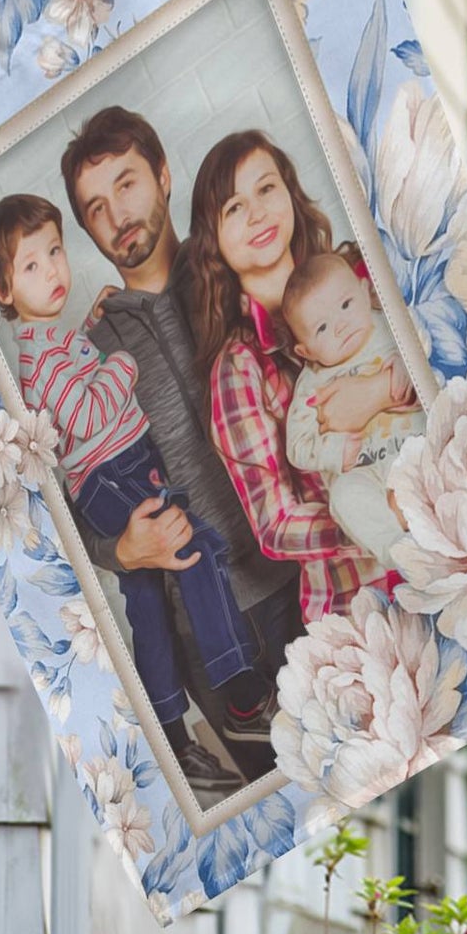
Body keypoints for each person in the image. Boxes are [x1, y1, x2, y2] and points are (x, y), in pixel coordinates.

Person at [0, 193, 271, 800]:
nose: (54, 269)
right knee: (199, 550)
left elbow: (69, 371)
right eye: (30, 266)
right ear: (2, 292)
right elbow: (83, 411)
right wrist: (121, 365)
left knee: (148, 603)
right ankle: (243, 697)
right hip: (116, 475)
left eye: (55, 251)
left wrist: (88, 333)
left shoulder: (50, 344)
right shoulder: (37, 359)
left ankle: (171, 735)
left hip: (116, 471)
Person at [60, 107, 305, 783]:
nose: (118, 214)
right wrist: (120, 550)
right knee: (281, 796)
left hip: (307, 581)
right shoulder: (89, 355)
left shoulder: (238, 270)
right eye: (95, 207)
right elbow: (72, 503)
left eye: (128, 183)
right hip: (212, 633)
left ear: (165, 176)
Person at [187, 130, 400, 623]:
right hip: (357, 604)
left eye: (266, 189)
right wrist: (382, 516)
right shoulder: (237, 370)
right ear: (213, 241)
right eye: (233, 208)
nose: (257, 213)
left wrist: (377, 394)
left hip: (450, 529)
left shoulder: (362, 273)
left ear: (290, 193)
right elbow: (275, 523)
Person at [280, 251, 424, 568]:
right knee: (345, 497)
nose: (342, 326)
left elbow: (430, 354)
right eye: (322, 328)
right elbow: (297, 446)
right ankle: (400, 552)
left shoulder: (392, 330)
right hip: (368, 473)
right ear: (305, 351)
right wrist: (335, 450)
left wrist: (403, 367)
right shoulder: (311, 385)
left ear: (364, 290)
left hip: (419, 449)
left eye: (346, 305)